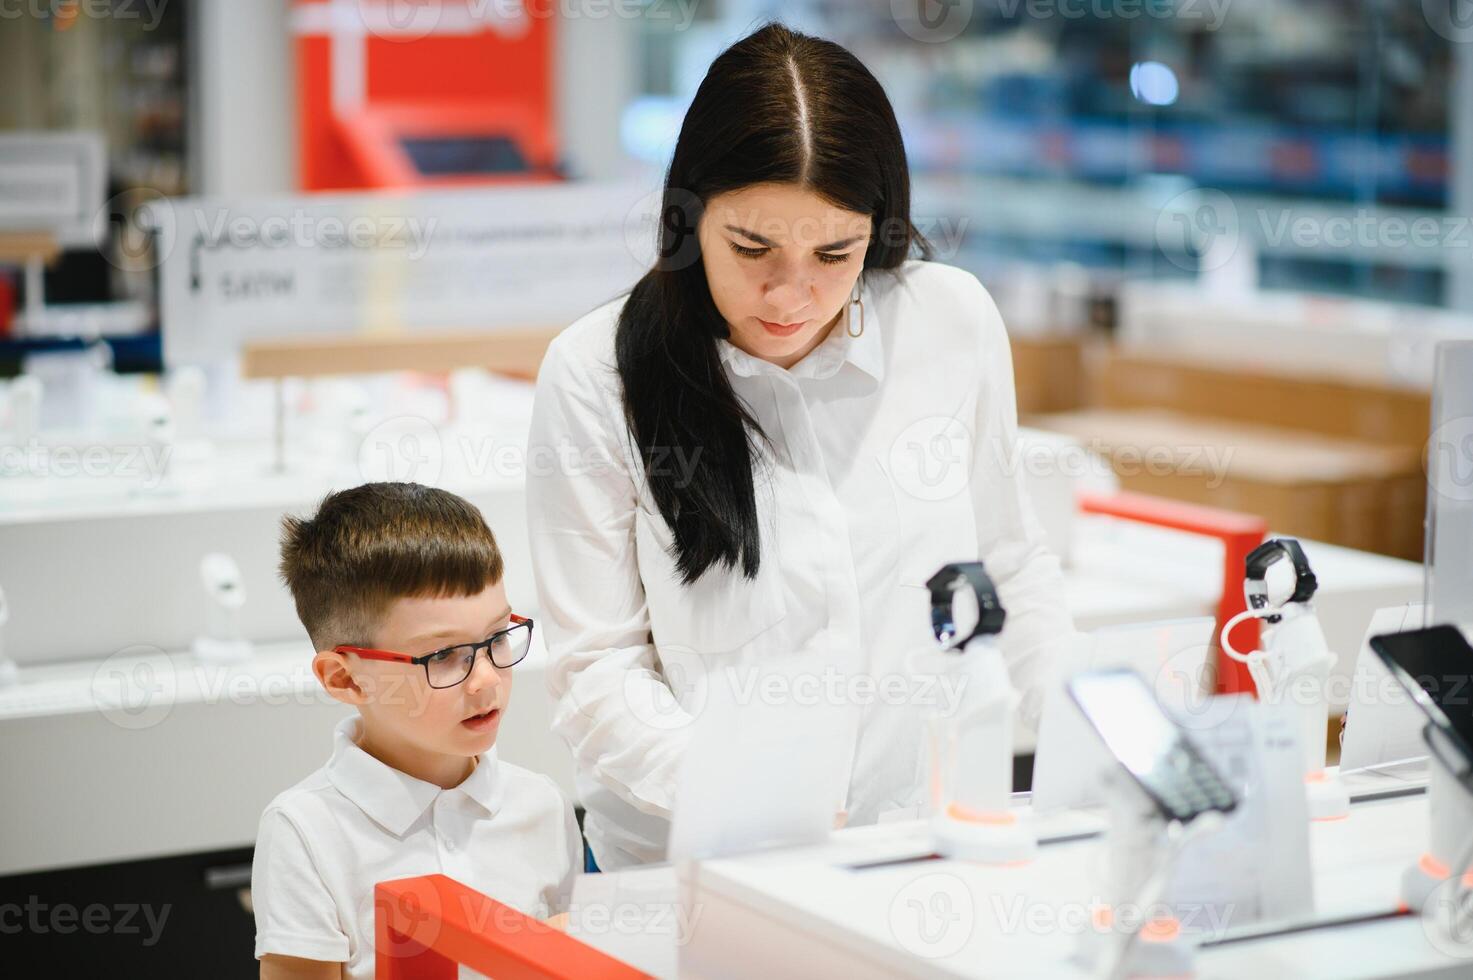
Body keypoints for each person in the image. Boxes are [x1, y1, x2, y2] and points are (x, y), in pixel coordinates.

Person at [527, 23, 1079, 870]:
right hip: (691, 866)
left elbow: (1007, 562)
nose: (791, 294)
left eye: (834, 252)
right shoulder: (596, 373)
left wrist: (1093, 732)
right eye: (751, 249)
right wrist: (748, 791)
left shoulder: (948, 320)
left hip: (916, 847)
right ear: (686, 218)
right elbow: (596, 667)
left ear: (878, 228)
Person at [253, 482, 579, 979]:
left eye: (497, 637)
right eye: (444, 656)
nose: (487, 679)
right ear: (344, 679)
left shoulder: (542, 806)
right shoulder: (306, 831)